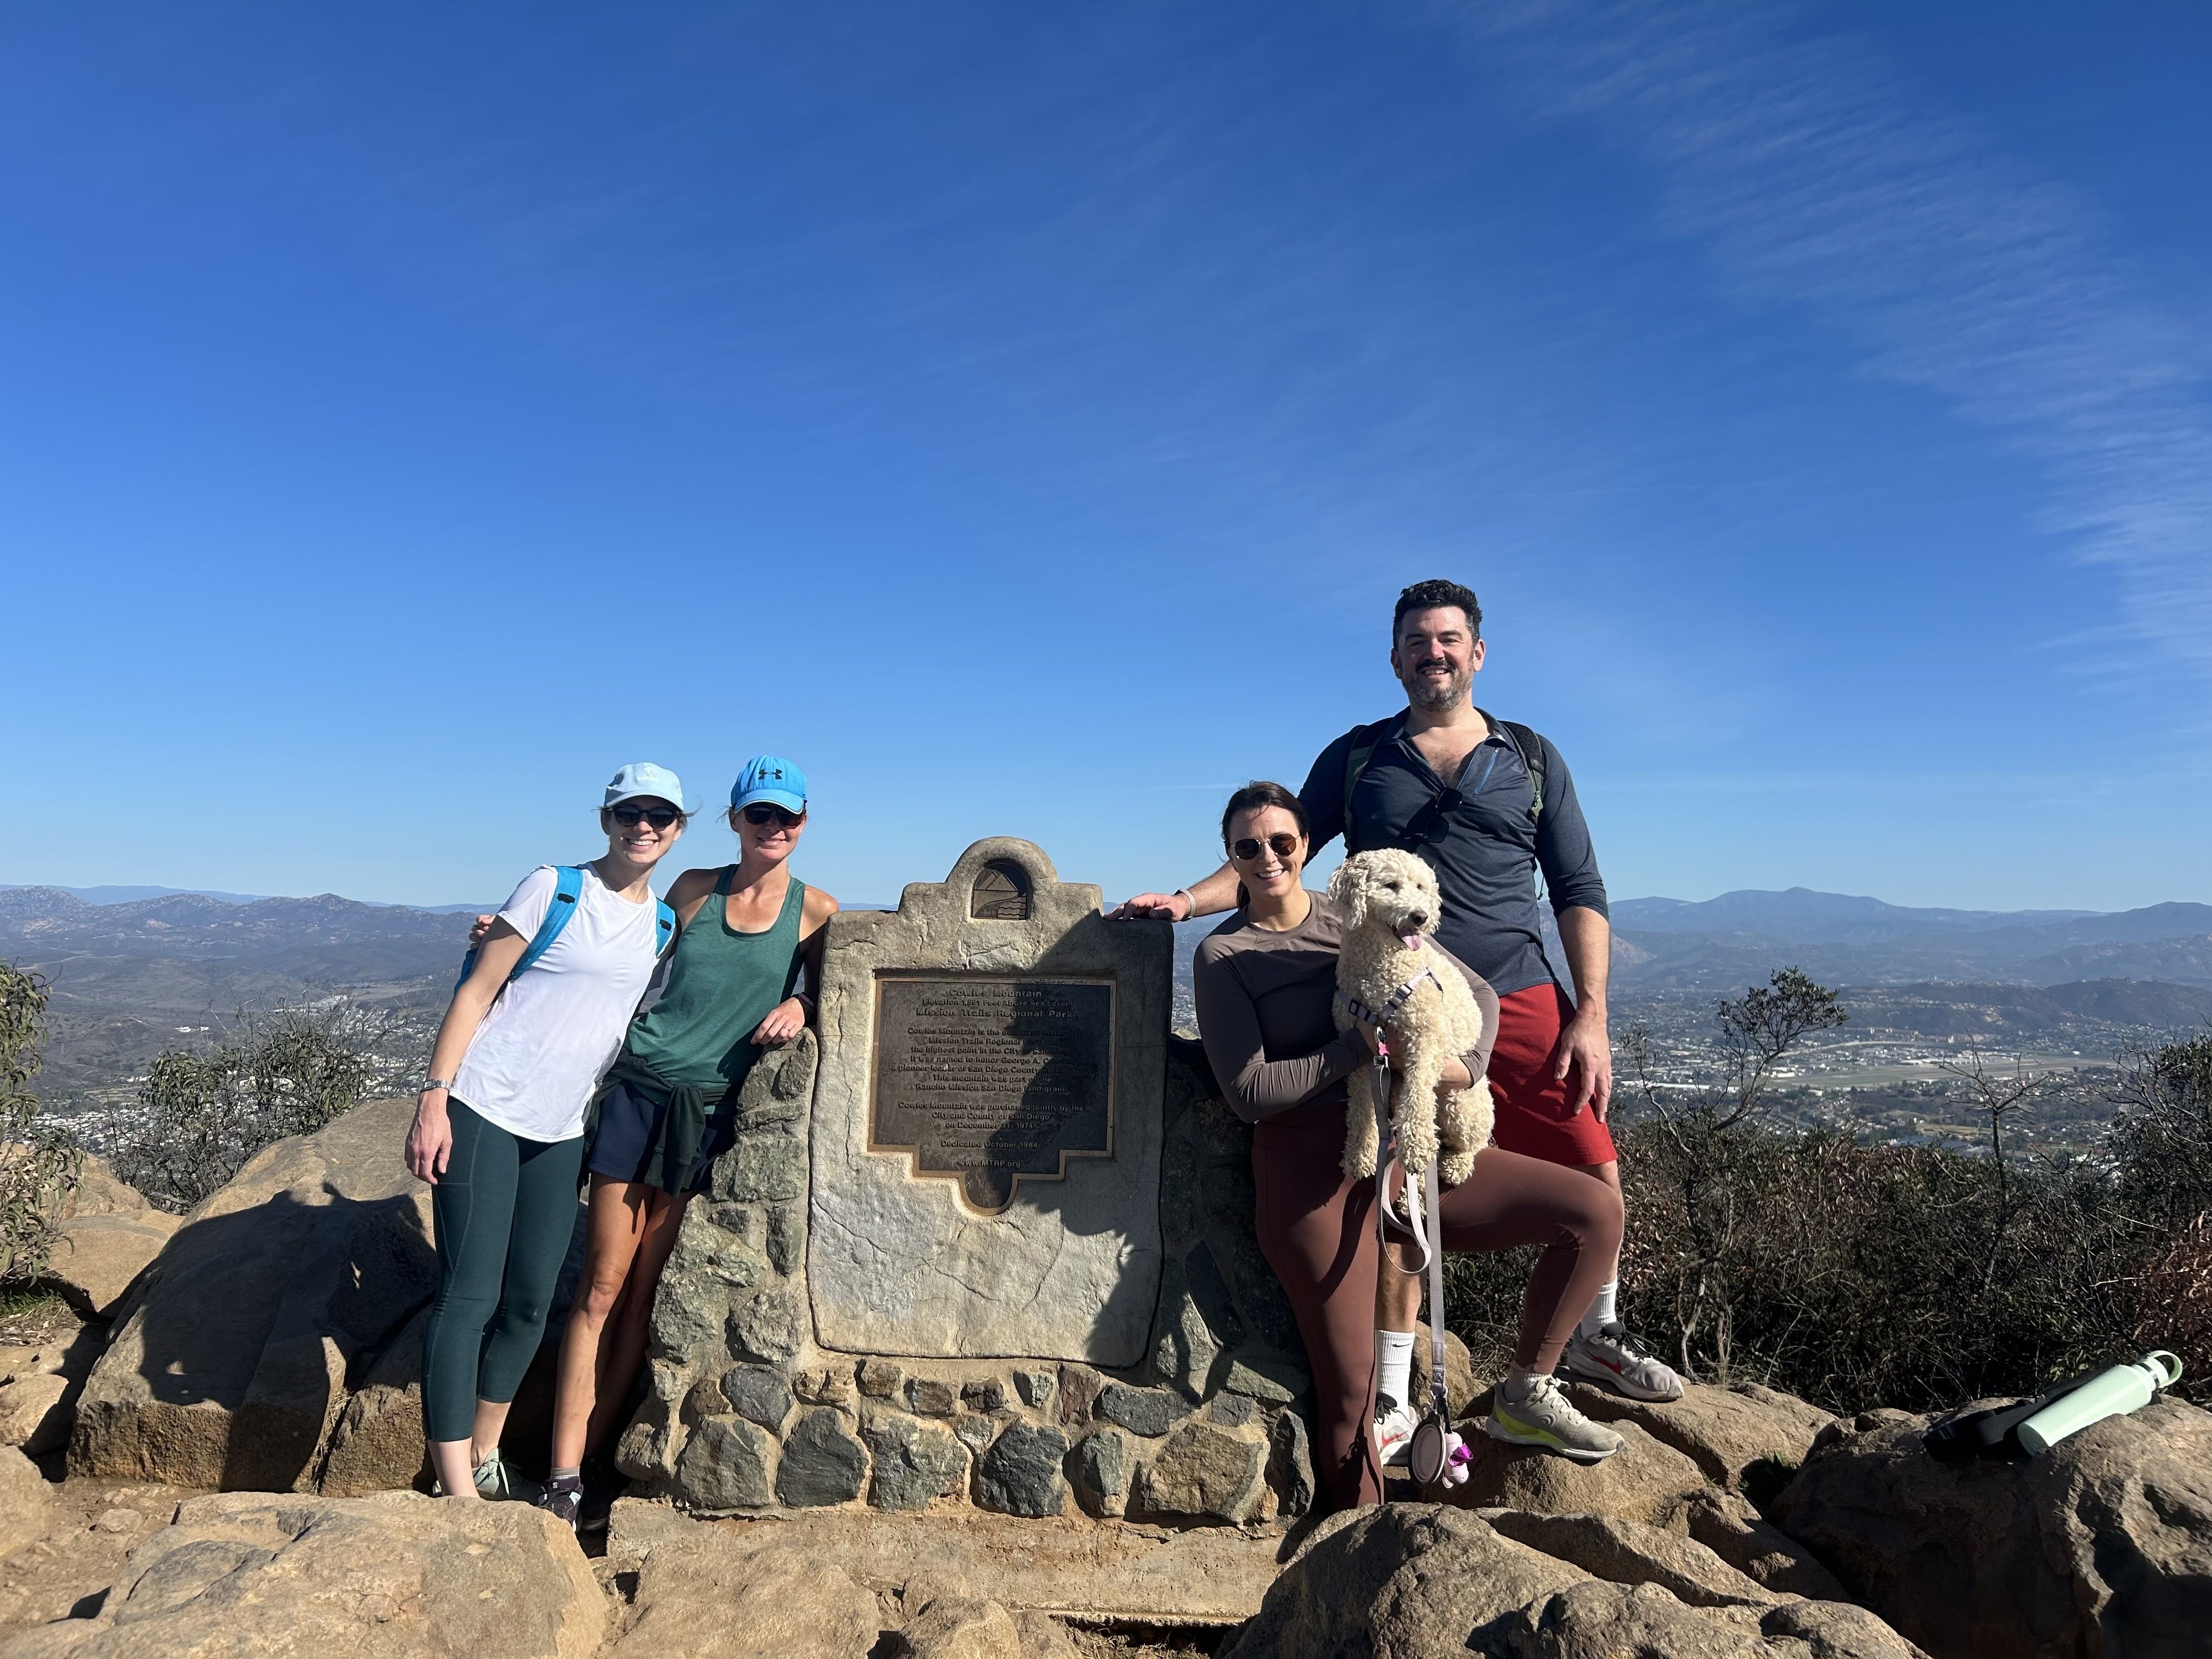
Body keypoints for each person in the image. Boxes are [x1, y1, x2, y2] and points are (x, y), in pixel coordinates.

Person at [1120, 577, 1681, 1469]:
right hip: (1398, 992)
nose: (1435, 654)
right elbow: (1279, 853)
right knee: (1403, 1193)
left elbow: (1580, 891)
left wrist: (1595, 1014)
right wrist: (1186, 902)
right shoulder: (1360, 757)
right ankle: (1393, 1397)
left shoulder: (1531, 756)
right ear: (1396, 659)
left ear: (1478, 652)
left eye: (1449, 640)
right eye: (1418, 643)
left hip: (1518, 992)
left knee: (1591, 1163)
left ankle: (1588, 1340)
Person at [1194, 781, 1625, 1510]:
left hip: (1407, 1152)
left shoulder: (1361, 915)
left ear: (1306, 846)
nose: (1266, 857)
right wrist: (1352, 1051)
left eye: (1282, 842)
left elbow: (1478, 994)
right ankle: (1351, 1562)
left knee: (1592, 1213)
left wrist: (1469, 1065)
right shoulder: (1225, 954)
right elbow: (1248, 1093)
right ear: (1230, 858)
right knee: (1351, 1395)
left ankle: (1528, 1388)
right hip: (1311, 1174)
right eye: (1247, 847)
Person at [537, 754, 838, 1530]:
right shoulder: (694, 891)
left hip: (706, 1118)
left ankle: (592, 1461)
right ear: (735, 821)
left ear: (804, 824)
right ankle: (562, 1471)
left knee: (645, 1292)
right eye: (760, 815)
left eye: (788, 816)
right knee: (602, 1283)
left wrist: (803, 1006)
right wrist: (516, 941)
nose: (774, 828)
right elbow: (623, 951)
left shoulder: (816, 912)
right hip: (640, 1096)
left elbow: (841, 988)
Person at [403, 762, 690, 1504]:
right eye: (630, 813)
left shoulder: (661, 925)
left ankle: (488, 1451)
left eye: (659, 816)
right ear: (606, 820)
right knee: (469, 1295)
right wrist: (435, 1099)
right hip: (485, 1106)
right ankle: (457, 1484)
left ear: (678, 830)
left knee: (532, 1302)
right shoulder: (554, 888)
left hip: (563, 1130)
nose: (643, 826)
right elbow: (475, 990)